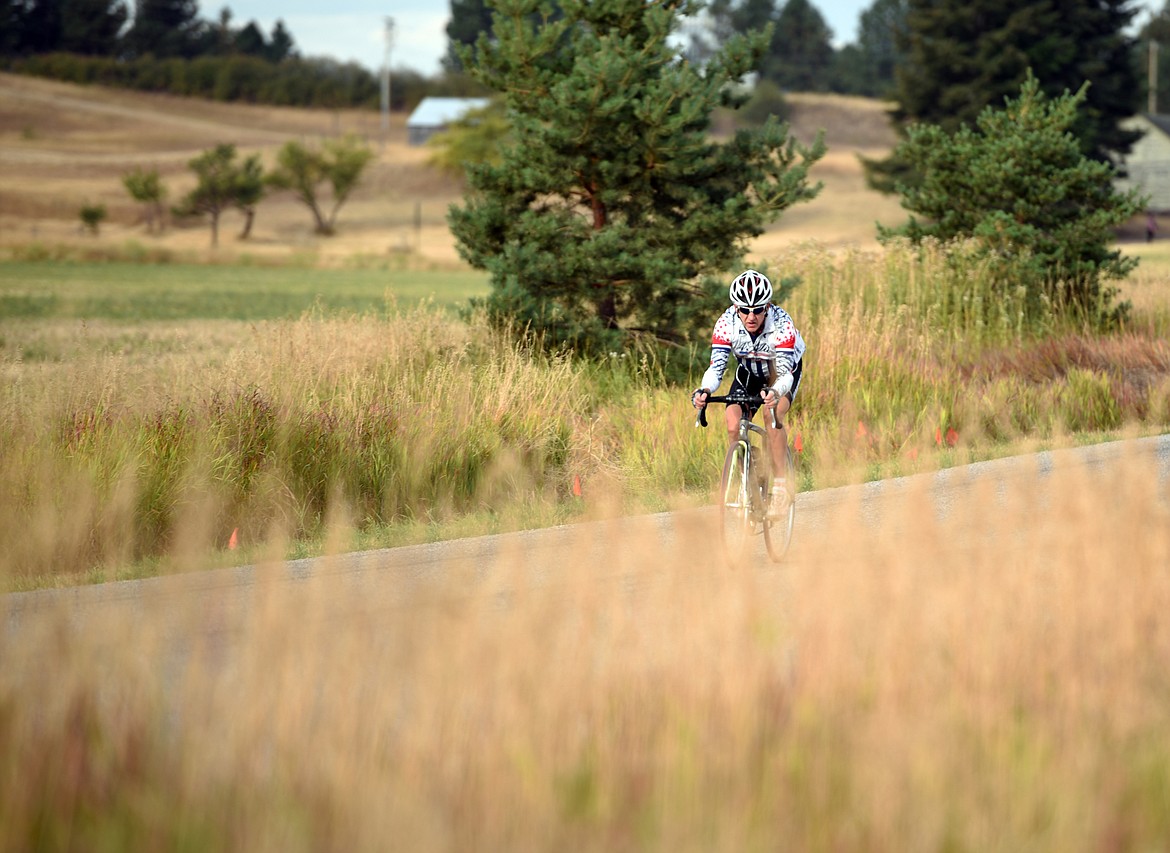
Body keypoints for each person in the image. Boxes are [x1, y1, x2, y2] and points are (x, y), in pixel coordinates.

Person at [691, 269, 805, 513]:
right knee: (733, 423)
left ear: (768, 307)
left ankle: (782, 487)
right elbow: (716, 367)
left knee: (771, 415)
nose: (751, 316)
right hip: (749, 370)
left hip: (780, 372)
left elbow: (784, 374)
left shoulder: (782, 325)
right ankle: (749, 477)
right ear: (736, 308)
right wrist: (704, 390)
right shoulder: (725, 324)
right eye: (744, 310)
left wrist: (774, 393)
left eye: (757, 310)